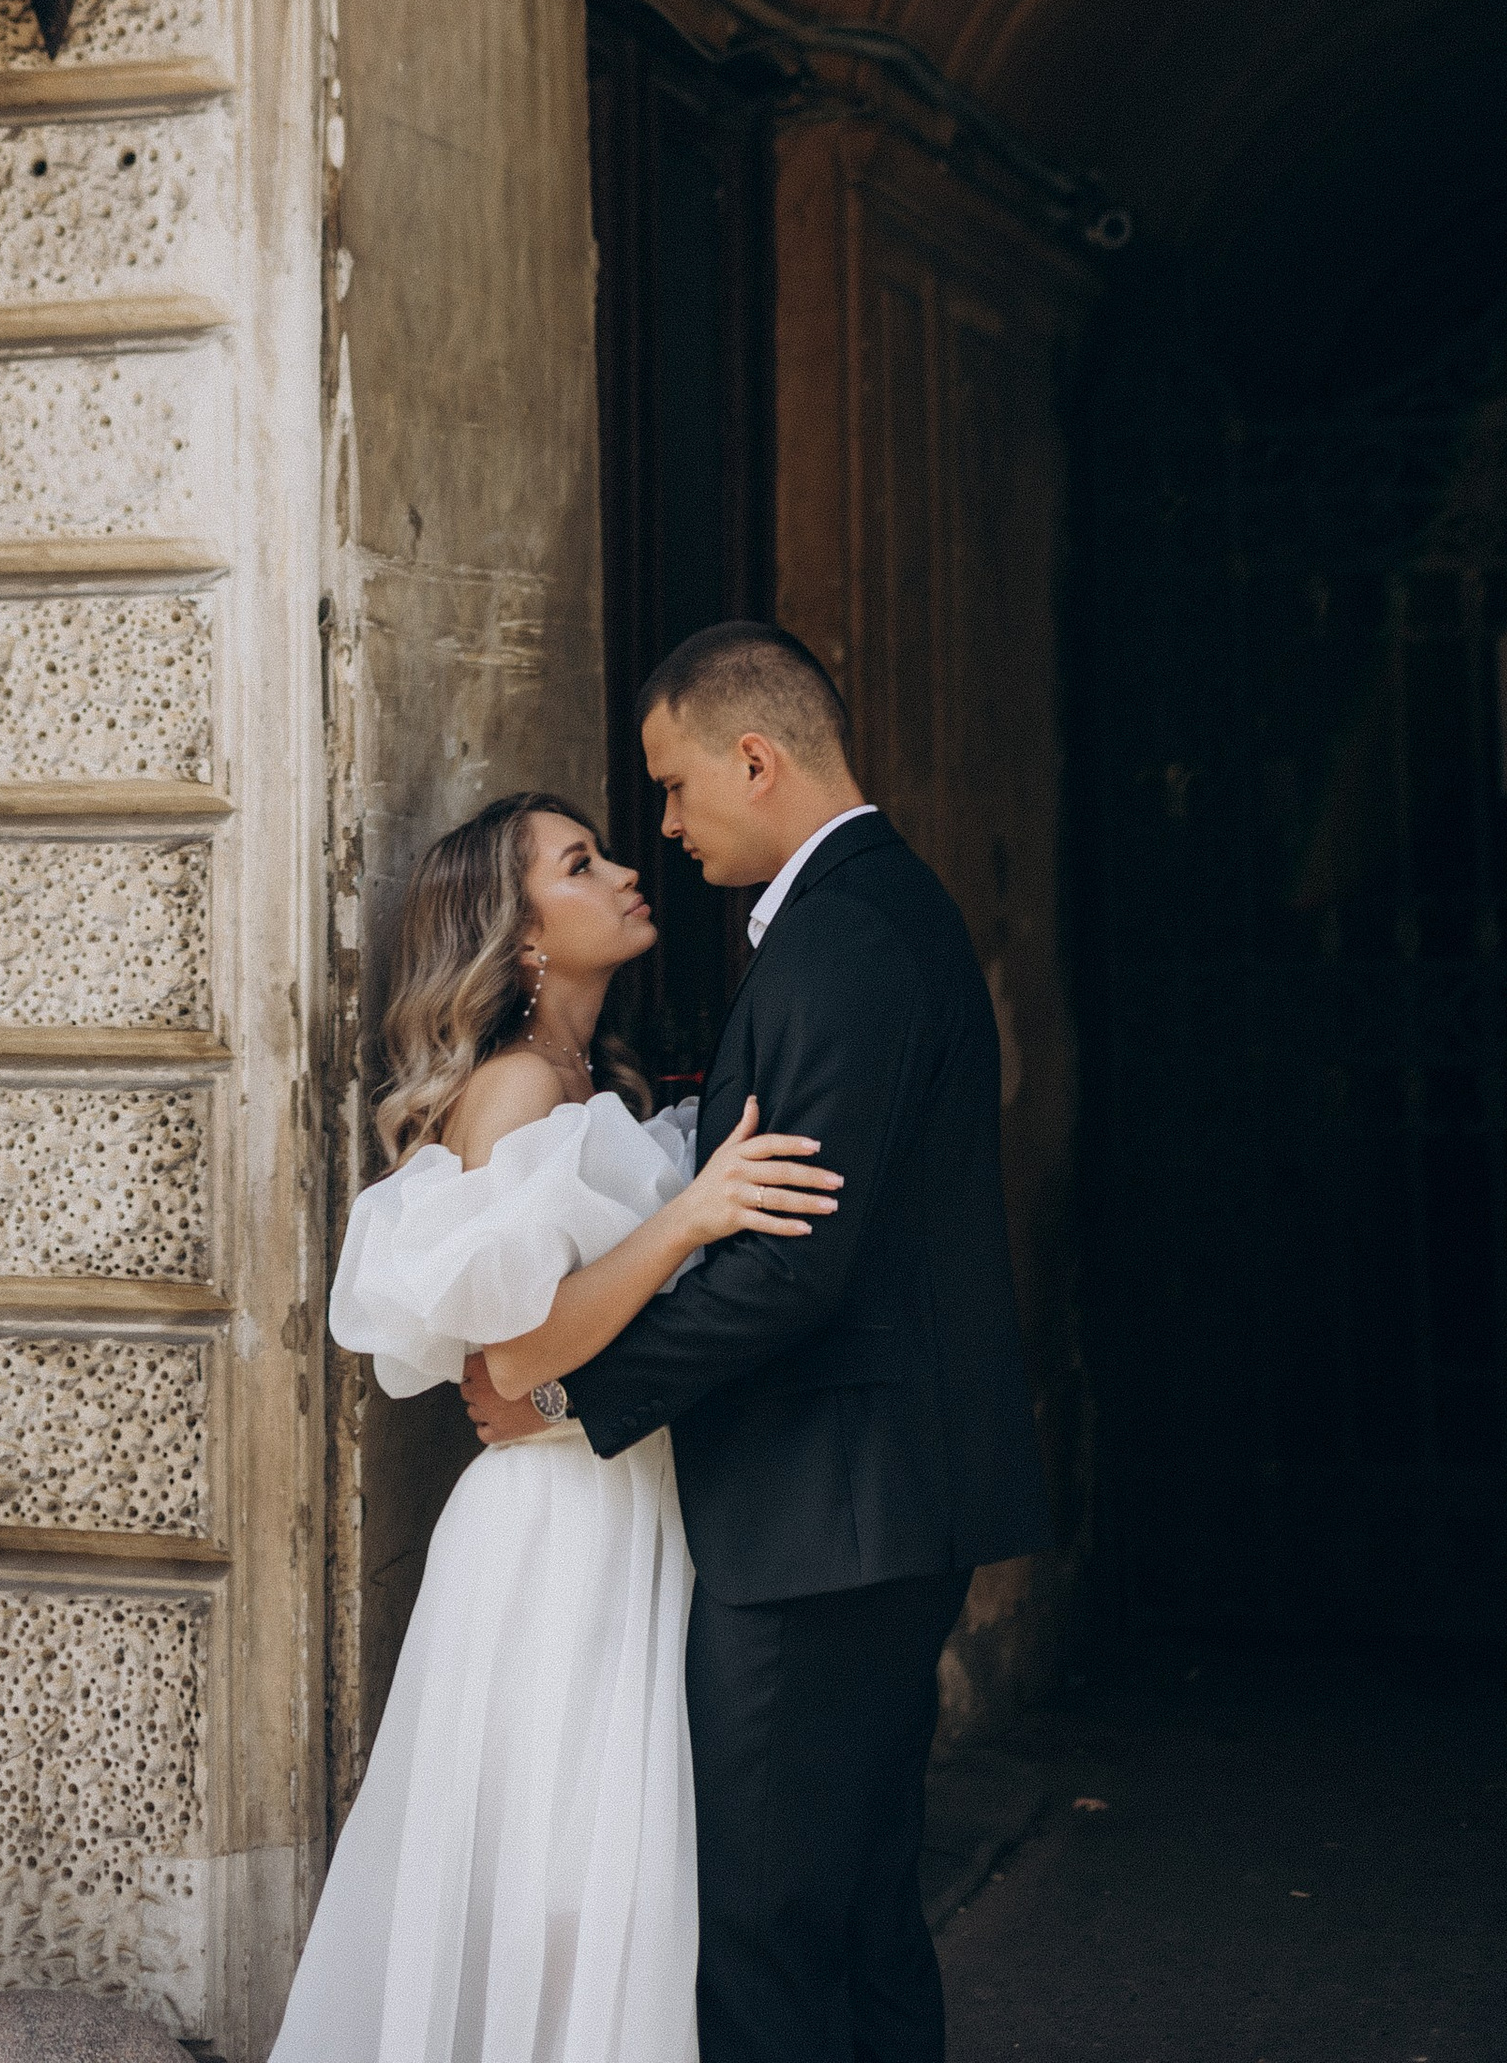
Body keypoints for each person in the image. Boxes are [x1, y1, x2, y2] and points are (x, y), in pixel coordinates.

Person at [463, 624, 1051, 2063]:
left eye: (671, 788)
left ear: (755, 759)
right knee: (846, 1916)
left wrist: (570, 1390)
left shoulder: (845, 935)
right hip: (865, 1503)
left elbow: (793, 1272)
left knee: (770, 1940)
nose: (662, 826)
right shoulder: (874, 914)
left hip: (826, 1515)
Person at [269, 790, 844, 2063]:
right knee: (567, 1884)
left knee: (616, 1878)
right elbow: (520, 1352)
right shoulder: (518, 1086)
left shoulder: (601, 1077)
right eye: (582, 865)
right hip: (556, 1532)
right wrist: (691, 1218)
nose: (628, 872)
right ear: (521, 940)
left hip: (632, 1500)